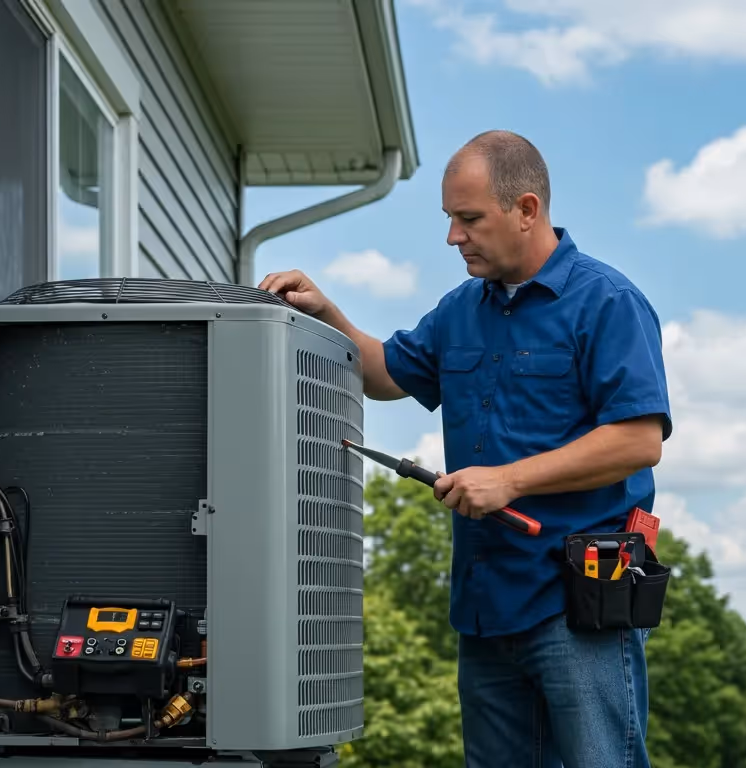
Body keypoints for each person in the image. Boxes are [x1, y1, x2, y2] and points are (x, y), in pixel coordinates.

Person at [259, 130, 672, 768]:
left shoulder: (607, 302)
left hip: (581, 605)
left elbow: (637, 441)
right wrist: (327, 314)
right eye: (450, 218)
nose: (454, 236)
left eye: (470, 218)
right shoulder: (460, 310)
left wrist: (508, 480)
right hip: (486, 606)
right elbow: (386, 374)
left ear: (527, 209)